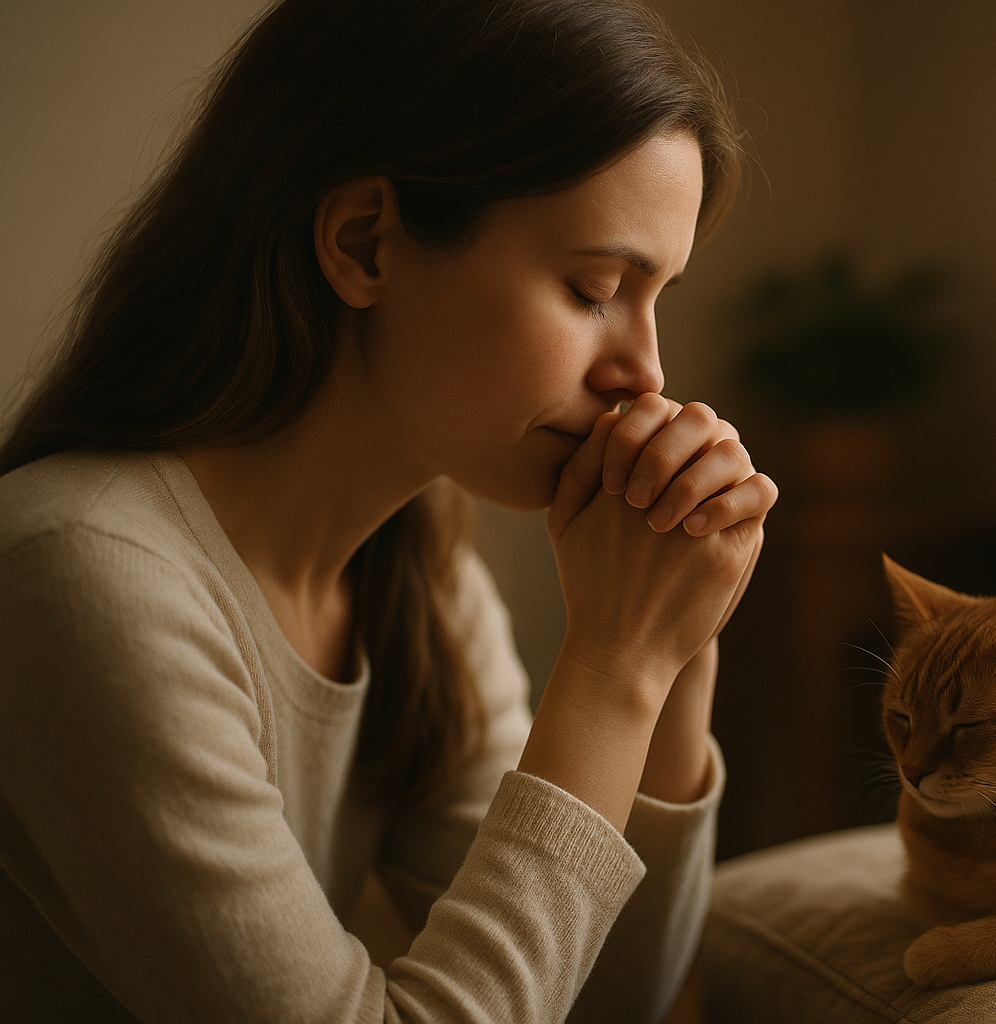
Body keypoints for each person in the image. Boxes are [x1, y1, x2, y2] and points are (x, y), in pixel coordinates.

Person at [0, 0, 776, 1020]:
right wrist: (616, 666)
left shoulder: (420, 573)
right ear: (365, 243)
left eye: (657, 293)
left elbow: (603, 996)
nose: (647, 372)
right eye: (595, 287)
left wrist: (673, 657)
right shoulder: (81, 570)